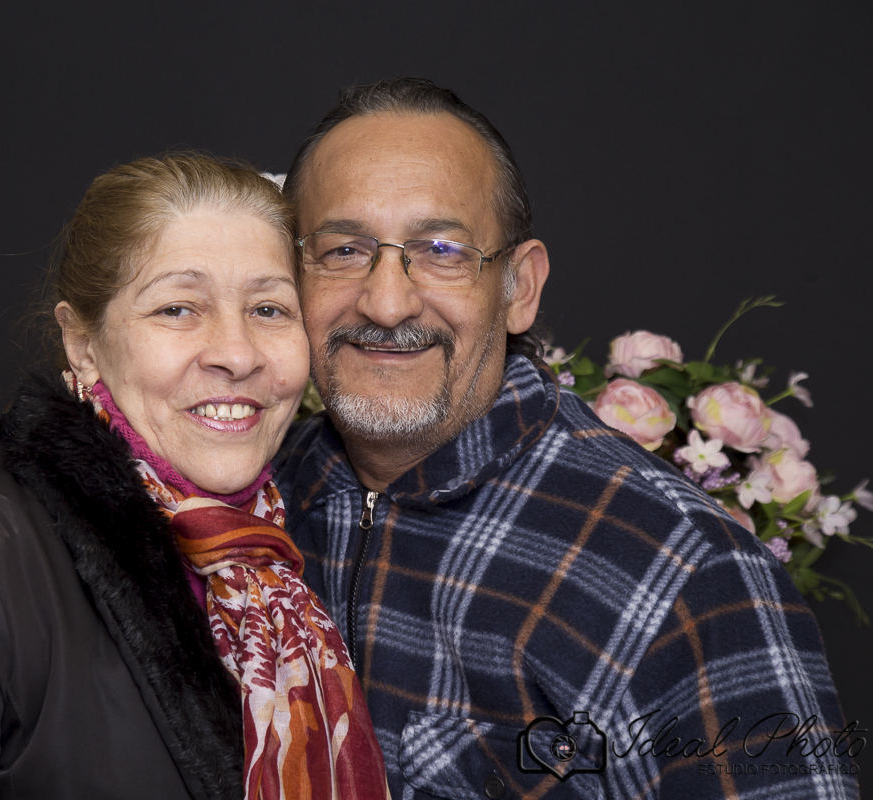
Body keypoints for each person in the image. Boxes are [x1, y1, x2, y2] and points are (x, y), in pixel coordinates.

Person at [273, 78, 858, 799]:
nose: (387, 301)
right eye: (343, 250)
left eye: (444, 249)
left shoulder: (690, 574)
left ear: (520, 287)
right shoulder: (257, 496)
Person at [0, 154, 389, 800]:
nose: (235, 354)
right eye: (178, 309)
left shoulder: (306, 567)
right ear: (83, 344)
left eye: (268, 310)